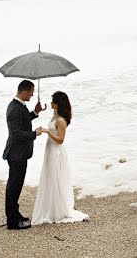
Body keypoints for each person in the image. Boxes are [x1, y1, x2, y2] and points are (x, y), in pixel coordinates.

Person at [31, 91, 89, 224]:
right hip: (50, 150)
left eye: (53, 101)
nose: (51, 103)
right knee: (50, 178)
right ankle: (51, 207)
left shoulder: (61, 120)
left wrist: (47, 131)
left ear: (58, 104)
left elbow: (60, 140)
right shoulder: (55, 115)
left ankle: (58, 209)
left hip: (56, 152)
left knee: (56, 179)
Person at [3, 80, 43, 230]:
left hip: (19, 153)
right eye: (32, 92)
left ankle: (15, 214)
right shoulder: (14, 109)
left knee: (16, 186)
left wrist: (35, 112)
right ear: (24, 92)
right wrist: (35, 134)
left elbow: (23, 121)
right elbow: (16, 133)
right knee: (13, 187)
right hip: (16, 154)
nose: (33, 94)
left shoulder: (19, 106)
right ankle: (12, 222)